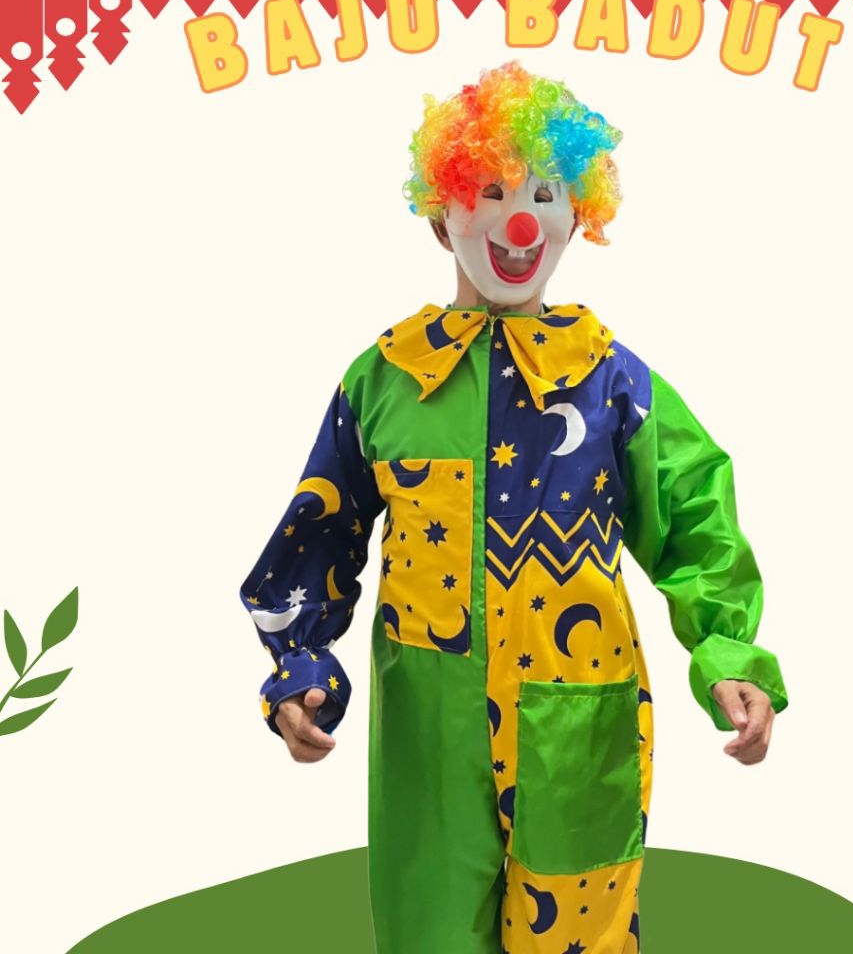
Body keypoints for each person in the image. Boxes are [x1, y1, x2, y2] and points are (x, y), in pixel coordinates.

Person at [238, 60, 788, 954]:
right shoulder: (385, 380)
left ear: (579, 215)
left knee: (579, 936)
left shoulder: (611, 380)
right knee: (428, 938)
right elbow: (321, 532)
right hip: (428, 741)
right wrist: (300, 669)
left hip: (579, 727)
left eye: (543, 194)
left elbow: (695, 517)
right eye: (489, 192)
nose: (518, 220)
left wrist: (728, 652)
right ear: (440, 215)